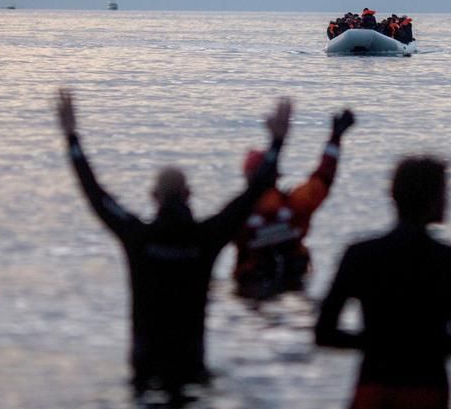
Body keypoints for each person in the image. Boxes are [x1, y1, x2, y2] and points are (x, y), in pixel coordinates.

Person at [57, 89, 291, 403]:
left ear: (154, 197)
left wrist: (72, 139)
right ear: (189, 194)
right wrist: (277, 143)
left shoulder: (138, 238)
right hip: (191, 366)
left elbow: (96, 196)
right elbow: (250, 197)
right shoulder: (205, 237)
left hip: (144, 368)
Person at [315, 156, 451, 409]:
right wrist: (426, 341)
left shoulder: (359, 254)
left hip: (373, 389)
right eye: (445, 192)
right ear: (435, 200)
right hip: (429, 391)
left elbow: (324, 333)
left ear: (394, 196)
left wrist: (376, 341)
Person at [232, 109, 356, 299]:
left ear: (247, 177)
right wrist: (335, 137)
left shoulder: (236, 217)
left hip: (251, 289)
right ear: (276, 175)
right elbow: (323, 178)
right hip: (294, 284)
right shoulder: (295, 206)